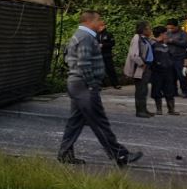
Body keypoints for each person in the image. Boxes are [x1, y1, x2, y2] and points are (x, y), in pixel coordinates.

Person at [58, 11, 142, 167]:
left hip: (78, 84)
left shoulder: (81, 35)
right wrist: (91, 84)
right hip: (84, 85)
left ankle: (65, 154)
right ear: (90, 21)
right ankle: (120, 155)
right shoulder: (85, 37)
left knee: (75, 122)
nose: (101, 22)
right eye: (98, 19)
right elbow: (83, 64)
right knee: (99, 121)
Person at [124, 21, 155, 118]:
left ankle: (144, 109)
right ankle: (140, 111)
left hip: (147, 66)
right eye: (148, 28)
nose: (150, 30)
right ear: (143, 29)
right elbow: (134, 54)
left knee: (144, 89)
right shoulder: (137, 38)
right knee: (140, 90)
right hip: (141, 67)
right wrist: (141, 64)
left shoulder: (145, 39)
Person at [150, 26, 179, 116]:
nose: (167, 35)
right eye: (166, 34)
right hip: (157, 71)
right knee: (157, 90)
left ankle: (171, 109)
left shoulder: (165, 45)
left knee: (169, 90)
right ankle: (159, 109)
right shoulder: (152, 44)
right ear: (161, 34)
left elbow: (171, 56)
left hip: (168, 70)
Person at [165, 18, 187, 98]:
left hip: (180, 57)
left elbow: (186, 44)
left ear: (177, 26)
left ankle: (185, 91)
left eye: (172, 28)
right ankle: (174, 91)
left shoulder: (184, 34)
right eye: (168, 28)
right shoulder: (167, 33)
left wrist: (173, 41)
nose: (170, 30)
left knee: (182, 75)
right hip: (169, 57)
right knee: (171, 76)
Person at [96, 20, 120, 89]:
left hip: (107, 54)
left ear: (104, 26)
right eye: (98, 26)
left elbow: (112, 43)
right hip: (99, 55)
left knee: (110, 69)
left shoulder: (108, 34)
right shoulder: (96, 35)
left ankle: (116, 84)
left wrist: (103, 45)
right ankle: (102, 85)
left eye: (100, 26)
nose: (99, 28)